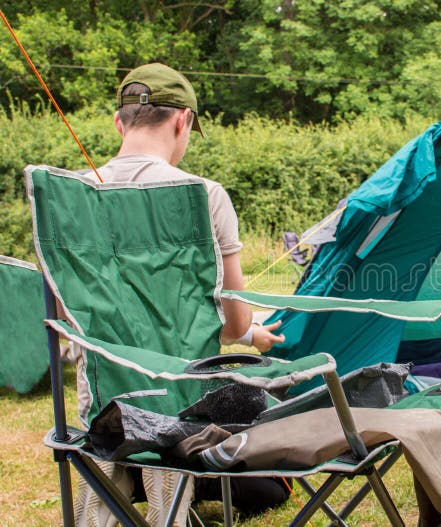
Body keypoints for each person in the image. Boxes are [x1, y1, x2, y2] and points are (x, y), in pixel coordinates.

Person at [74, 63, 289, 526]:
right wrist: (252, 335)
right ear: (182, 120)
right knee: (265, 476)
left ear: (119, 122)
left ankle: (117, 486)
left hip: (102, 408)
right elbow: (232, 326)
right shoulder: (204, 196)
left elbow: (65, 318)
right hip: (179, 407)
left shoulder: (70, 197)